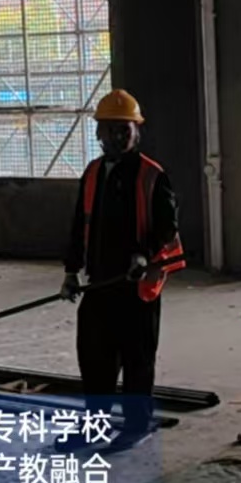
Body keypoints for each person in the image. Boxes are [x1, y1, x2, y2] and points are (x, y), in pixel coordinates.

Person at [62, 90, 184, 411]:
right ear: (98, 133)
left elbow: (167, 226)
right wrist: (71, 272)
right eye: (109, 129)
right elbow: (80, 224)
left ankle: (135, 426)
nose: (116, 136)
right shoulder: (93, 172)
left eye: (123, 129)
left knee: (137, 362)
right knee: (94, 361)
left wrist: (143, 254)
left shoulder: (152, 175)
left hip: (137, 288)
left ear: (136, 131)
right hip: (99, 284)